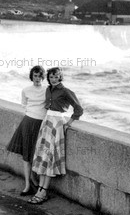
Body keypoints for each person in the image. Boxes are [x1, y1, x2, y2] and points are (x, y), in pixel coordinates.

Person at [29, 67, 83, 205]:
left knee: (49, 157)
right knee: (42, 155)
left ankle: (43, 191)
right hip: (47, 122)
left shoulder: (65, 91)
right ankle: (40, 189)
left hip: (57, 124)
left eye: (56, 77)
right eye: (51, 77)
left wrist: (68, 123)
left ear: (60, 77)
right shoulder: (48, 89)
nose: (54, 79)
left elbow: (79, 109)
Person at [6, 66, 47, 196]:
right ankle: (27, 185)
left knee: (38, 154)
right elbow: (24, 104)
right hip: (28, 122)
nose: (37, 79)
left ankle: (36, 182)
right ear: (32, 77)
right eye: (35, 76)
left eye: (40, 76)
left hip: (41, 124)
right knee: (26, 156)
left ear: (43, 77)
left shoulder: (47, 90)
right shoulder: (26, 90)